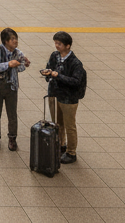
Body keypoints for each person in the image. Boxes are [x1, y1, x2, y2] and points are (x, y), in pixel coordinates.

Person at [41, 31, 85, 164]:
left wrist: (57, 75)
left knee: (69, 125)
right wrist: (47, 72)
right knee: (58, 123)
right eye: (55, 43)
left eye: (59, 44)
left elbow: (76, 81)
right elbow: (50, 67)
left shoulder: (76, 63)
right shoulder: (55, 56)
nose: (56, 46)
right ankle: (61, 145)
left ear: (68, 46)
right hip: (55, 94)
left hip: (69, 98)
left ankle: (71, 152)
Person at [0, 27, 29, 151]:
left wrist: (23, 64)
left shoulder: (18, 52)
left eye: (16, 39)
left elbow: (22, 68)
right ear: (6, 41)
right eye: (12, 39)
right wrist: (9, 64)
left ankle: (12, 138)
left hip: (12, 87)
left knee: (12, 114)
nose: (15, 41)